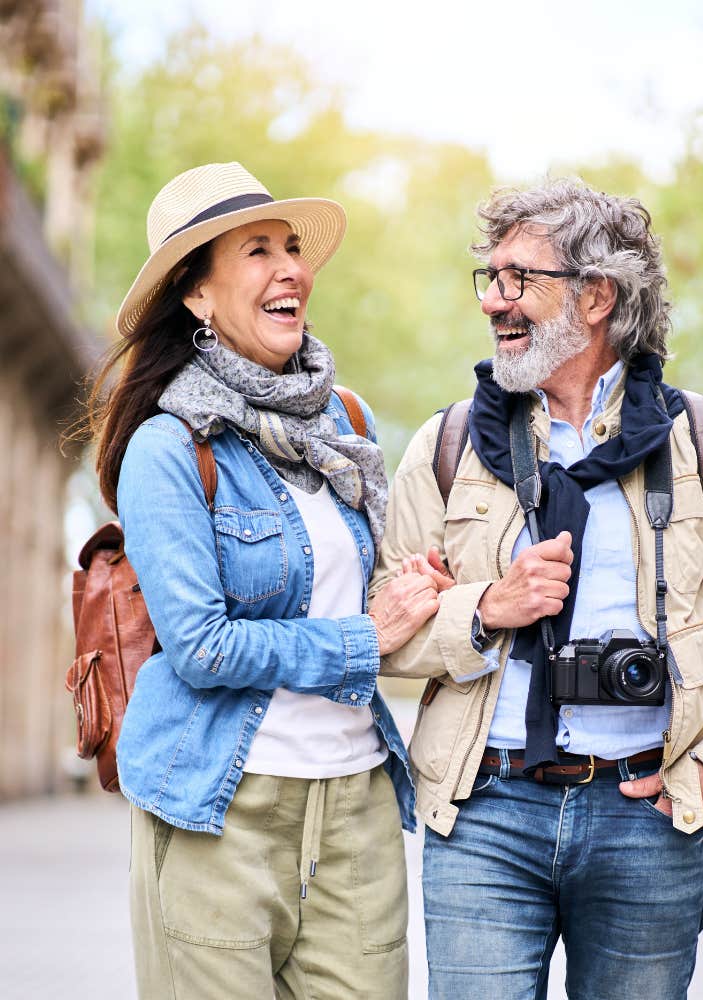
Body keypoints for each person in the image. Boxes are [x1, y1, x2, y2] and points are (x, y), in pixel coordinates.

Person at [371, 178, 703, 1000]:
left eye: (518, 279)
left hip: (649, 813)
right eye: (489, 278)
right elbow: (383, 637)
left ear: (597, 295)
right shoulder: (447, 445)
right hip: (484, 812)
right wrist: (485, 610)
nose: (494, 302)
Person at [83, 161, 439, 1000]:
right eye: (256, 251)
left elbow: (370, 589)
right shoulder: (169, 448)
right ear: (197, 297)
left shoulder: (345, 423)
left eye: (291, 248)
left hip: (355, 807)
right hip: (220, 808)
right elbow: (201, 646)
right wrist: (367, 636)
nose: (291, 269)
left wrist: (426, 590)